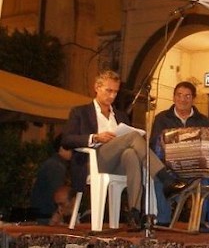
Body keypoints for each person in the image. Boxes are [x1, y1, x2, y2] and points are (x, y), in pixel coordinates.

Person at [62, 70, 195, 230]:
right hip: (94, 160)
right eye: (108, 90)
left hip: (118, 163)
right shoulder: (80, 112)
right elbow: (66, 140)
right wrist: (95, 137)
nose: (112, 96)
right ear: (97, 87)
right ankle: (165, 178)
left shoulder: (120, 115)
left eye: (115, 92)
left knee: (131, 154)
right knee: (132, 137)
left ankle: (134, 213)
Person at [150, 81, 209, 225]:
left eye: (187, 96)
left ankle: (199, 221)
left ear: (193, 99)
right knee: (159, 177)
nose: (182, 100)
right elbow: (154, 144)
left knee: (207, 178)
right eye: (179, 95)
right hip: (169, 167)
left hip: (195, 167)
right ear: (173, 97)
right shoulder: (162, 118)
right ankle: (163, 220)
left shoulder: (203, 121)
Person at [30, 134, 72, 223]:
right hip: (47, 216)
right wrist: (57, 213)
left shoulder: (54, 164)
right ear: (61, 148)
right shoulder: (56, 166)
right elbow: (56, 194)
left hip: (43, 214)